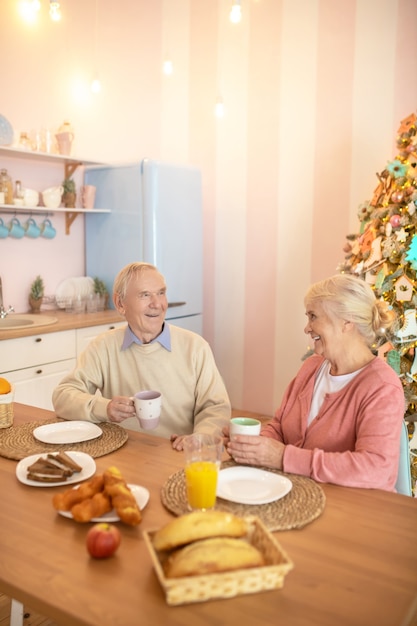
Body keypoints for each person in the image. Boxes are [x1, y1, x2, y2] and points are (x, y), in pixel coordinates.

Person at [225, 274, 405, 491]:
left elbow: (376, 470)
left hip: (354, 511)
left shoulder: (382, 387)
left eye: (313, 317)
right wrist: (252, 446)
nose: (307, 328)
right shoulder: (312, 367)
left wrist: (283, 457)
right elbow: (280, 427)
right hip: (297, 495)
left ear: (347, 321)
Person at [52, 262, 231, 450]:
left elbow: (216, 407)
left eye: (161, 293)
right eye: (145, 295)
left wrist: (200, 437)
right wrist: (104, 408)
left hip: (177, 453)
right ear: (121, 304)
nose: (157, 304)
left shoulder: (196, 347)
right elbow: (63, 397)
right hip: (120, 453)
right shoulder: (103, 347)